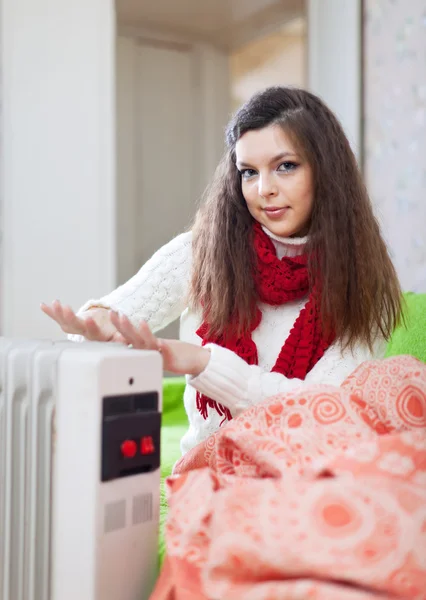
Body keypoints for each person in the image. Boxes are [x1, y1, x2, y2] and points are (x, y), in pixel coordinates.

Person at [41, 86, 403, 454]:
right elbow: (106, 319)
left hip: (309, 468)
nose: (264, 189)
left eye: (286, 166)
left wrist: (206, 365)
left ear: (325, 171)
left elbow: (320, 414)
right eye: (248, 172)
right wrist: (95, 329)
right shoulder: (202, 252)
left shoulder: (361, 279)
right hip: (208, 469)